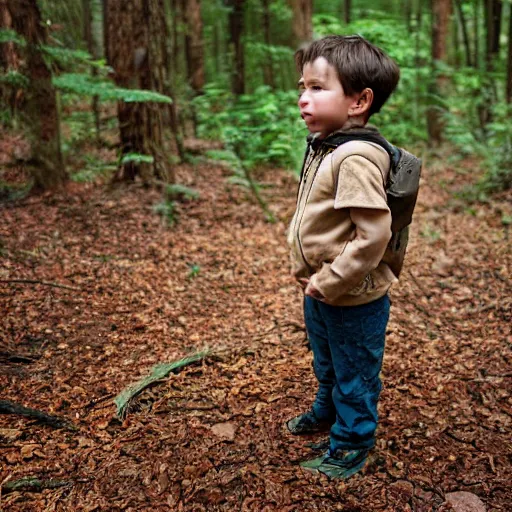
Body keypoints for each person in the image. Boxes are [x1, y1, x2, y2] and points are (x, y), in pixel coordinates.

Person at [286, 35, 401, 479]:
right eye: (303, 86)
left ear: (359, 101)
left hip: (352, 295)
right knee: (328, 358)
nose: (303, 97)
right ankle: (327, 410)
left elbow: (374, 235)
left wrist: (331, 279)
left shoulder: (354, 156)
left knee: (354, 368)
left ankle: (353, 441)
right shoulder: (328, 144)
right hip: (322, 287)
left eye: (318, 88)